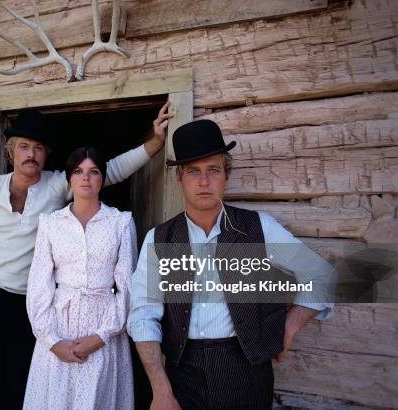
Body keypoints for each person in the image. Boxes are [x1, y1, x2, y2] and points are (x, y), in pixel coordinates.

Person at [0, 105, 171, 409]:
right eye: (24, 147)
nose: (30, 154)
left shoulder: (58, 184)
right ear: (11, 151)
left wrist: (155, 142)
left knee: (25, 381)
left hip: (39, 305)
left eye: (38, 148)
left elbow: (111, 169)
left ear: (45, 155)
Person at [127, 119, 335, 410]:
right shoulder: (160, 239)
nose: (203, 182)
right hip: (181, 373)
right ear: (180, 179)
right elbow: (142, 316)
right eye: (193, 172)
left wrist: (289, 327)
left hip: (246, 370)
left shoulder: (259, 229)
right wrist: (161, 391)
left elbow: (322, 276)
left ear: (226, 174)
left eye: (213, 170)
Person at [24, 147, 136, 409]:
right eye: (78, 171)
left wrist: (101, 337)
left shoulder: (120, 222)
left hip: (105, 326)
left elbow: (128, 288)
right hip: (58, 325)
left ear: (102, 179)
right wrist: (52, 342)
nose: (86, 178)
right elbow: (39, 284)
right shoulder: (51, 223)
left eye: (93, 172)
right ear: (69, 178)